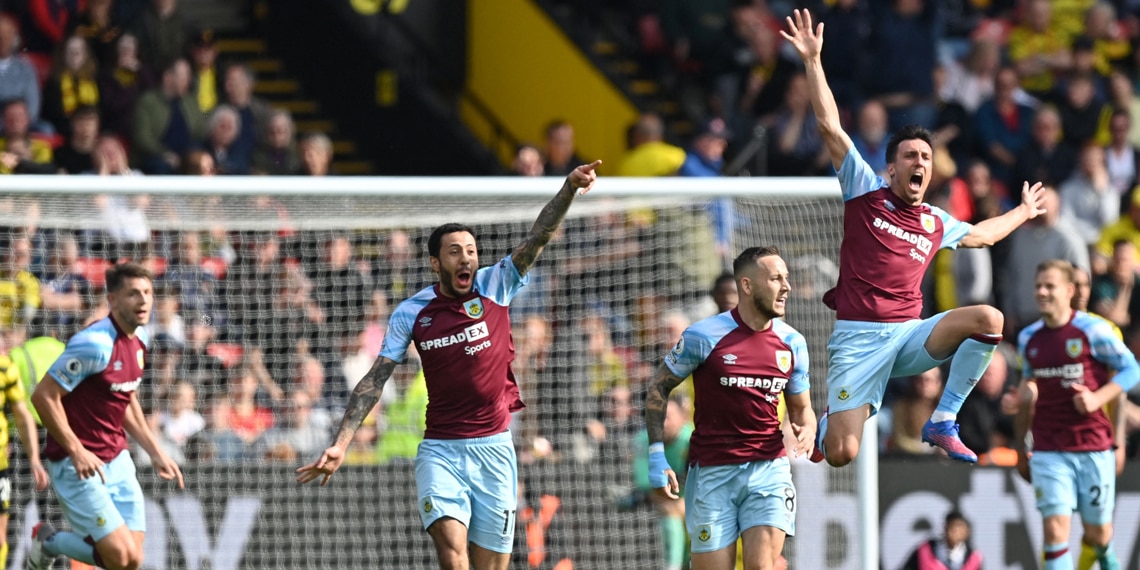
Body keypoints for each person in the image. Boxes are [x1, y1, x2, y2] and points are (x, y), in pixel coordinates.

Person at [297, 161, 602, 570]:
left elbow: (538, 237)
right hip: (441, 450)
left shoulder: (497, 284)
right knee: (453, 555)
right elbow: (374, 379)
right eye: (455, 252)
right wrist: (342, 442)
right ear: (435, 264)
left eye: (472, 251)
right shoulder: (412, 312)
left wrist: (567, 190)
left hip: (495, 449)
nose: (466, 259)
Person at [781, 10, 1047, 466]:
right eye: (909, 155)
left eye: (925, 155)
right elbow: (829, 126)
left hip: (909, 337)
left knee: (989, 318)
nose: (919, 161)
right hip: (859, 341)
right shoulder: (865, 190)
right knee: (842, 453)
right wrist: (812, 61)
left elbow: (982, 235)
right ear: (892, 168)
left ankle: (943, 419)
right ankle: (830, 425)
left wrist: (1022, 212)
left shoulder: (935, 221)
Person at [644, 246, 816, 570]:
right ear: (748, 286)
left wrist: (808, 428)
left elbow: (802, 408)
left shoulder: (793, 343)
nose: (786, 287)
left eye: (787, 278)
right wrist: (656, 453)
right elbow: (659, 387)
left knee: (763, 565)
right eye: (776, 278)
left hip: (769, 469)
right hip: (712, 473)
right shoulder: (703, 336)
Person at [25, 262, 185, 570]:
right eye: (133, 294)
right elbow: (43, 397)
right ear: (111, 300)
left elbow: (125, 398)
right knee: (118, 557)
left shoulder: (141, 340)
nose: (143, 301)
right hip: (79, 465)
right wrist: (76, 450)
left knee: (132, 560)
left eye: (148, 293)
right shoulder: (94, 343)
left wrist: (155, 451)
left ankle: (50, 540)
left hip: (117, 459)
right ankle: (48, 544)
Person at [1014, 260, 1139, 570]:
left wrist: (1098, 398)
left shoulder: (1094, 330)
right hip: (1049, 448)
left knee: (1097, 533)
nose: (1041, 292)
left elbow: (1131, 369)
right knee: (1055, 531)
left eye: (1049, 286)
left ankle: (1107, 557)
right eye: (1038, 285)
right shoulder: (1029, 337)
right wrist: (1021, 446)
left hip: (1093, 446)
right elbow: (1027, 388)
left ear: (1069, 291)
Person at [0, 330, 50, 570]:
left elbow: (17, 411)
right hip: (58, 440)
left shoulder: (13, 359)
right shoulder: (63, 350)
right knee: (52, 516)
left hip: (19, 447)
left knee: (12, 517)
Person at [631, 397, 693, 570]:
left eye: (668, 417)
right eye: (659, 417)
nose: (662, 423)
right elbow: (644, 481)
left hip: (691, 504)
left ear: (684, 418)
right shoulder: (644, 440)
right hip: (656, 503)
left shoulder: (692, 441)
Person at [901, 511, 983, 570]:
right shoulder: (925, 551)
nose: (954, 531)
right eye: (951, 526)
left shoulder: (973, 559)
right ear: (944, 529)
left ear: (966, 532)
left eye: (959, 527)